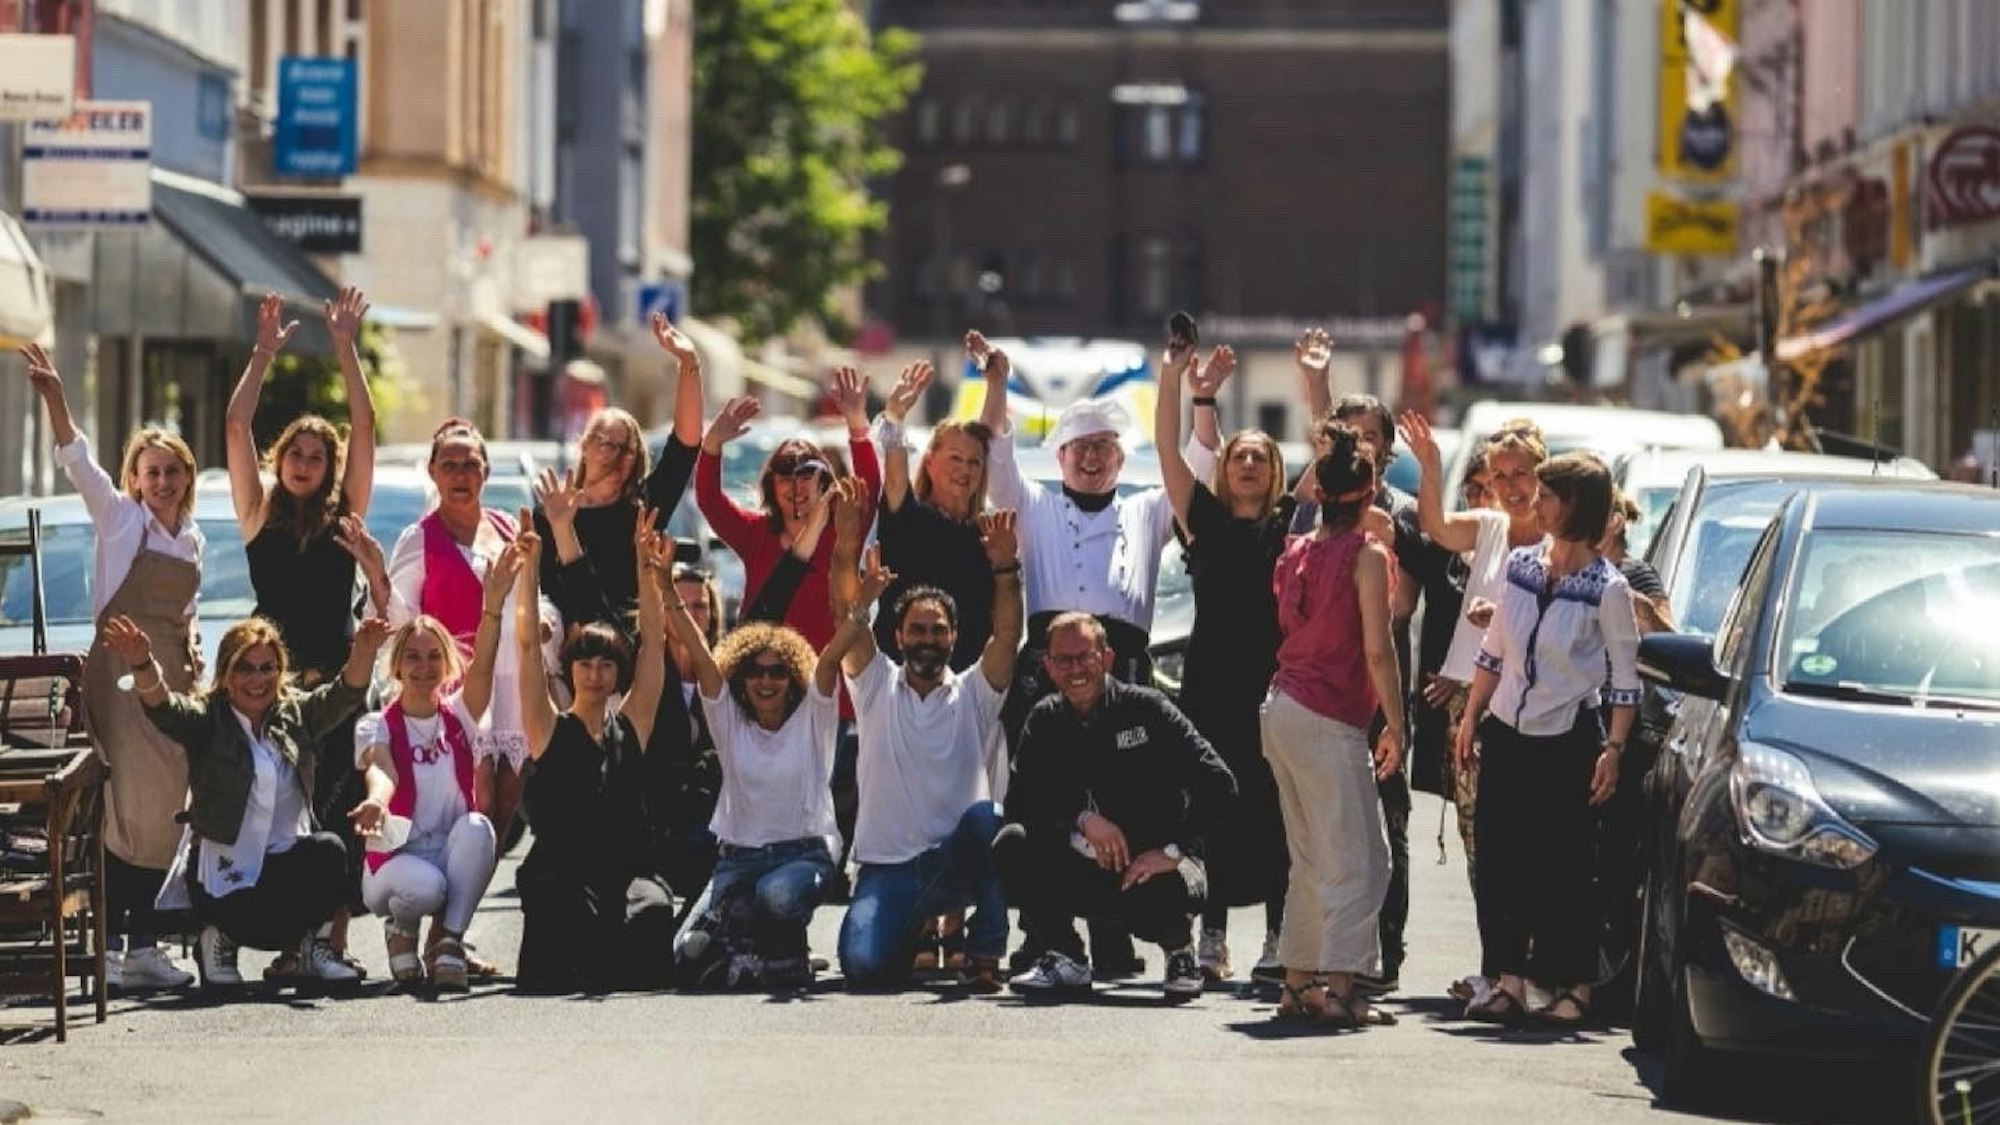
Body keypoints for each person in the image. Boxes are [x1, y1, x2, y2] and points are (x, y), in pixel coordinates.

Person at [971, 327, 1218, 977]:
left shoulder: (1146, 511)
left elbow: (1198, 468)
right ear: (1059, 457)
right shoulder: (1034, 507)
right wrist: (996, 382)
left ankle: (1120, 924)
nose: (1092, 458)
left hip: (1123, 670)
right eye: (1080, 447)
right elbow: (995, 453)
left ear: (1119, 457)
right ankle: (1051, 937)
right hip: (1049, 667)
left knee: (1129, 794)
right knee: (1039, 801)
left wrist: (1197, 394)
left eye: (1104, 448)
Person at [17, 343, 200, 992]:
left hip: (171, 682)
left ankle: (146, 941)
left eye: (172, 472)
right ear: (135, 478)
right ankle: (119, 947)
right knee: (123, 803)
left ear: (186, 477)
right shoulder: (119, 520)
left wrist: (193, 648)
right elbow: (78, 463)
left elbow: (186, 612)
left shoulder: (193, 537)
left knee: (165, 805)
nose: (162, 482)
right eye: (151, 472)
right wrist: (56, 399)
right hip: (119, 682)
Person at [224, 287, 382, 979]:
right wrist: (263, 354)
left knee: (339, 809)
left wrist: (344, 347)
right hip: (269, 691)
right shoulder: (258, 514)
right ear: (281, 459)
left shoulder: (345, 515)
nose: (305, 464)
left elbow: (367, 427)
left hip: (338, 687)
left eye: (319, 456)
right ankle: (284, 938)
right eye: (297, 453)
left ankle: (329, 941)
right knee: (277, 813)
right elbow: (234, 427)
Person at [107, 613, 390, 989]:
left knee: (331, 849)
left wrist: (365, 650)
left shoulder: (295, 713)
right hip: (224, 880)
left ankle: (315, 947)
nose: (257, 680)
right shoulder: (208, 719)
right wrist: (143, 664)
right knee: (223, 897)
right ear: (225, 674)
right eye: (245, 669)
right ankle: (219, 938)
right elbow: (165, 709)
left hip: (282, 867)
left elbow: (344, 695)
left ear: (280, 671)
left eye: (266, 669)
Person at [1456, 452, 1640, 1027]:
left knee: (1564, 866)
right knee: (1499, 858)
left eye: (1549, 494)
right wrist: (1470, 718)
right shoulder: (1520, 565)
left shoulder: (1607, 589)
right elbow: (1496, 648)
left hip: (1569, 739)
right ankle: (1507, 980)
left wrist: (1613, 750)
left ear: (1577, 505)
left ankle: (1573, 985)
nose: (1537, 502)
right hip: (1508, 729)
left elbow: (1625, 677)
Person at [667, 486, 864, 991]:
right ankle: (762, 952)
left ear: (791, 676)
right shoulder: (729, 719)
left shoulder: (814, 717)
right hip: (738, 858)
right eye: (755, 671)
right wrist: (663, 589)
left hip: (802, 856)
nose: (767, 680)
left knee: (777, 896)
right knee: (684, 953)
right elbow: (698, 650)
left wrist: (861, 605)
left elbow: (830, 657)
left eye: (778, 671)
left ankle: (779, 951)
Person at [996, 613, 1238, 1000]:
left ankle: (1179, 952)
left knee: (1171, 887)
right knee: (1012, 841)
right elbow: (1021, 802)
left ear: (1106, 658)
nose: (1076, 670)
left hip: (1154, 870)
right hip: (1086, 868)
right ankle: (1067, 957)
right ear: (1048, 667)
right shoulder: (1043, 720)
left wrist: (1175, 850)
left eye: (1085, 657)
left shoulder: (1149, 708)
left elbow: (1220, 784)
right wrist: (1082, 818)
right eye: (1064, 660)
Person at [834, 504, 1022, 993]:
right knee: (864, 968)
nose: (927, 639)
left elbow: (1008, 636)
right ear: (897, 636)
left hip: (951, 866)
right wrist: (847, 541)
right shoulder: (873, 685)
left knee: (992, 820)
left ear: (955, 637)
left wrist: (1005, 567)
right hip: (886, 870)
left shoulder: (975, 694)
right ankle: (910, 930)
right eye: (917, 629)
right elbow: (843, 619)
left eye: (938, 630)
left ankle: (983, 954)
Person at [1152, 342, 1294, 984]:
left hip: (1270, 687)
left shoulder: (1290, 525)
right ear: (1225, 467)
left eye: (1260, 459)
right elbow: (1164, 449)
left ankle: (1277, 938)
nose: (1247, 466)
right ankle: (1212, 940)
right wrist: (1174, 379)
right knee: (1210, 811)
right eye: (1239, 456)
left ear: (1274, 472)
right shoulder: (1202, 520)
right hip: (1208, 685)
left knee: (1271, 813)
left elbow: (1331, 455)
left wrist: (1315, 383)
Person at [1399, 411, 1548, 1006]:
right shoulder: (1489, 526)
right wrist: (1432, 467)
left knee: (1523, 841)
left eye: (1522, 473)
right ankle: (1499, 966)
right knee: (1478, 838)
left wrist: (1505, 622)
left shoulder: (1556, 541)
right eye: (1500, 473)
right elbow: (1434, 526)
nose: (1511, 485)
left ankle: (1528, 966)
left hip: (1528, 706)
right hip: (1471, 703)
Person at [1262, 425, 1405, 1028]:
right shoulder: (1365, 556)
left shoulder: (1297, 550)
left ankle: (1297, 983)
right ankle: (1342, 988)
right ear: (1371, 490)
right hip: (1327, 714)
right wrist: (1397, 723)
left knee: (1311, 858)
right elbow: (1379, 648)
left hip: (1282, 706)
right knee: (1361, 859)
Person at [511, 508, 674, 993]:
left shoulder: (631, 723)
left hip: (620, 872)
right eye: (585, 663)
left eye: (606, 664)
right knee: (562, 912)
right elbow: (524, 648)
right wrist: (529, 569)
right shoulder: (547, 727)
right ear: (571, 669)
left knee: (653, 911)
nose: (596, 673)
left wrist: (648, 573)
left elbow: (653, 648)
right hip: (561, 872)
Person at [382, 419, 560, 851]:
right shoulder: (418, 538)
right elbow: (401, 617)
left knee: (504, 805)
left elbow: (534, 595)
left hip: (512, 680)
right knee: (474, 802)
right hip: (460, 685)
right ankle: (450, 893)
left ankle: (466, 899)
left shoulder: (505, 529)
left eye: (470, 465)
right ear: (433, 472)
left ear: (486, 472)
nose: (460, 475)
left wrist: (545, 621)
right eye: (450, 464)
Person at [349, 554, 513, 990]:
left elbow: (484, 665)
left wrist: (492, 608)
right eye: (414, 658)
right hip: (396, 860)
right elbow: (382, 769)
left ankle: (448, 943)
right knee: (427, 890)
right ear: (398, 665)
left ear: (447, 664)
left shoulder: (459, 715)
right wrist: (375, 801)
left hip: (446, 850)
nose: (424, 668)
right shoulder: (376, 723)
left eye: (434, 657)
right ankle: (401, 925)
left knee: (479, 828)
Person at [531, 312, 706, 642]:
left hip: (629, 654)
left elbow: (686, 444)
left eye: (628, 450)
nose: (617, 456)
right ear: (584, 446)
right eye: (607, 444)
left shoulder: (643, 509)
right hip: (563, 657)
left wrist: (689, 363)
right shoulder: (551, 513)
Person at [870, 360, 997, 672]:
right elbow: (896, 474)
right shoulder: (908, 516)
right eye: (955, 458)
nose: (964, 470)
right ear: (929, 462)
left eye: (974, 462)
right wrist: (896, 416)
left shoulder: (989, 536)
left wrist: (997, 383)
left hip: (966, 696)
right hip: (901, 688)